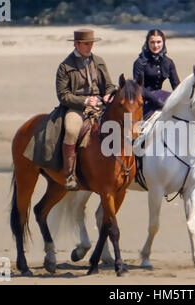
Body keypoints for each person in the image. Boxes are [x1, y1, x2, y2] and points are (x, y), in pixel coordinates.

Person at [56, 29, 115, 190]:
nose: (90, 47)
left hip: (100, 105)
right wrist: (85, 100)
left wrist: (108, 95)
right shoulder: (65, 67)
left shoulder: (99, 62)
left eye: (91, 44)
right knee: (71, 131)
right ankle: (69, 175)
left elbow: (109, 85)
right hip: (77, 108)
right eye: (86, 44)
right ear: (76, 44)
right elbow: (63, 95)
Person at [133, 29, 180, 118]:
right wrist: (156, 100)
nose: (156, 45)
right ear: (147, 43)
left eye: (159, 42)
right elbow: (139, 88)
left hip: (161, 96)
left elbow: (176, 86)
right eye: (152, 42)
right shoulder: (139, 63)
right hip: (143, 100)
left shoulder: (168, 62)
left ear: (163, 42)